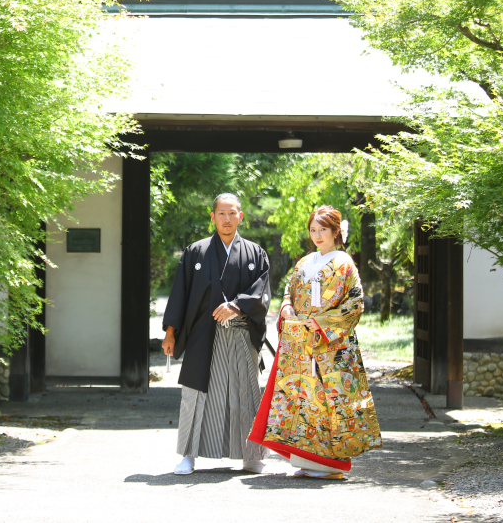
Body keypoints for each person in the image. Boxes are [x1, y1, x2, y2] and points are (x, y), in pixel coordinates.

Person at [248, 205, 382, 479]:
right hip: (300, 343)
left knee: (328, 402)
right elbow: (290, 291)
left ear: (336, 232)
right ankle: (307, 462)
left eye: (323, 229)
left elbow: (354, 304)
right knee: (303, 401)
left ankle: (330, 466)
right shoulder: (304, 262)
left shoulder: (344, 263)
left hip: (330, 345)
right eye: (313, 230)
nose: (317, 235)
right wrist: (286, 307)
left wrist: (321, 322)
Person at [162, 193, 271, 475]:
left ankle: (252, 456)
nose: (226, 219)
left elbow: (261, 291)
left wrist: (237, 306)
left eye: (232, 213)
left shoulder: (255, 253)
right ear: (213, 217)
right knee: (195, 394)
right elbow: (180, 293)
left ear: (240, 216)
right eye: (221, 213)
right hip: (202, 333)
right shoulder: (196, 252)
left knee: (245, 393)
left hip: (241, 333)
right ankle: (188, 455)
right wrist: (171, 333)